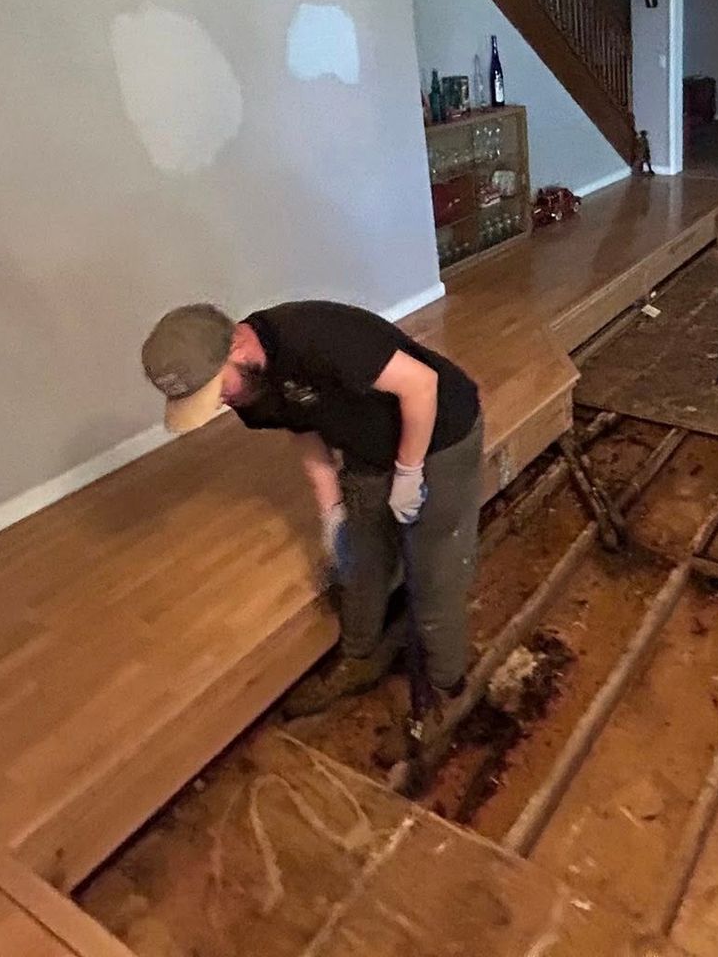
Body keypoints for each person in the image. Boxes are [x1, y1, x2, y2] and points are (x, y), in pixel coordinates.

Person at [140, 300, 482, 715]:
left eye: (215, 390)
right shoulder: (250, 386)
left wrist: (409, 473)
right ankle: (360, 657)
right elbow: (302, 425)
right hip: (368, 447)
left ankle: (446, 683)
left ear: (236, 346)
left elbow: (422, 385)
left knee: (435, 569)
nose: (217, 403)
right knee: (361, 561)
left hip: (440, 431)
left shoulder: (319, 337)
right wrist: (331, 511)